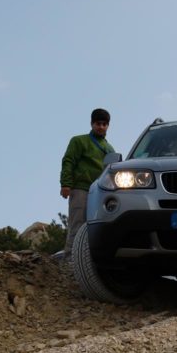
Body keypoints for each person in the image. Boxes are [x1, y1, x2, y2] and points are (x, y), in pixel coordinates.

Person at [60, 108, 115, 257]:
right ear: (91, 123)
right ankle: (71, 257)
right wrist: (65, 184)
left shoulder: (110, 150)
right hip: (81, 188)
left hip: (100, 192)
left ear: (108, 126)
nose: (101, 127)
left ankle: (88, 258)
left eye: (104, 124)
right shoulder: (79, 141)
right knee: (77, 223)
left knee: (97, 225)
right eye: (98, 123)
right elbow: (68, 161)